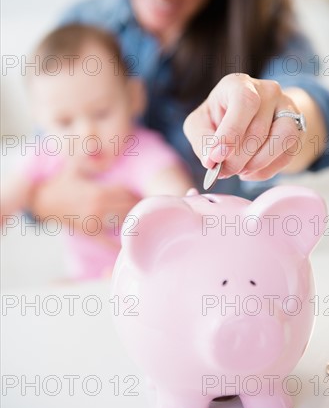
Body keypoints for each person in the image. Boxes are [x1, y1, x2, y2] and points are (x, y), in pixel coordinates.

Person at [29, 0, 329, 231]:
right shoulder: (82, 26)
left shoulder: (271, 38)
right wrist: (46, 201)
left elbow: (322, 113)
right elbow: (39, 155)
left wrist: (286, 115)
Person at [1, 23, 193, 280]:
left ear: (134, 98)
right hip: (81, 280)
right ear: (39, 119)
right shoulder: (44, 152)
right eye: (64, 122)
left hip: (140, 278)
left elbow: (175, 196)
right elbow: (7, 198)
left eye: (101, 113)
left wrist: (181, 207)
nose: (86, 134)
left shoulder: (139, 151)